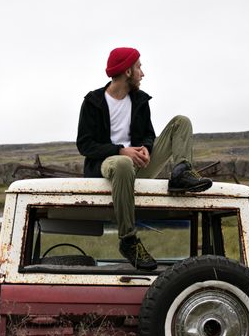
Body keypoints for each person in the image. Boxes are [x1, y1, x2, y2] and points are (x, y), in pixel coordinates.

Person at [76, 47, 213, 271]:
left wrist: (147, 149)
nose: (143, 73)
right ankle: (128, 240)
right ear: (127, 71)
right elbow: (85, 145)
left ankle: (181, 173)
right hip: (110, 165)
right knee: (122, 163)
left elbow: (148, 134)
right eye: (139, 67)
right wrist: (121, 151)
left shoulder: (139, 100)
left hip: (138, 164)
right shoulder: (93, 102)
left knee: (182, 121)